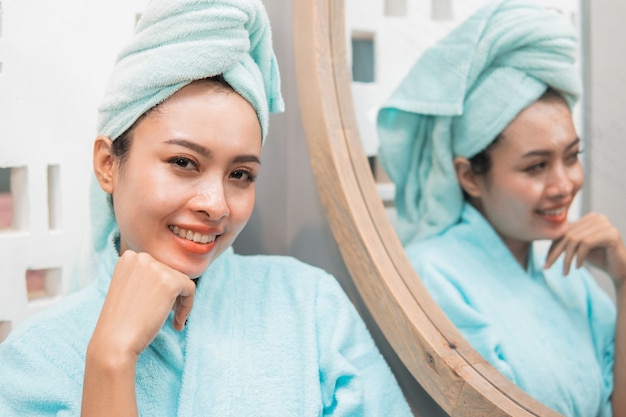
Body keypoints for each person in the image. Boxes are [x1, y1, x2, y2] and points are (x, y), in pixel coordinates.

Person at [0, 1, 413, 416]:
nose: (216, 206)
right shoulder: (33, 362)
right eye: (183, 163)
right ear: (108, 164)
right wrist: (111, 358)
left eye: (240, 175)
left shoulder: (310, 306)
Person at [377, 0, 626, 416]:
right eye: (536, 166)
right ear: (470, 176)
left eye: (572, 155)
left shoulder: (564, 272)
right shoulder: (434, 276)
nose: (565, 184)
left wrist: (624, 279)